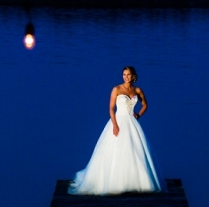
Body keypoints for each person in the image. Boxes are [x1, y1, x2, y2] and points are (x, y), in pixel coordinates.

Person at [68, 66, 162, 195]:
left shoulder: (137, 90)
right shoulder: (116, 89)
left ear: (133, 76)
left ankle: (135, 181)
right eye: (124, 74)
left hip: (132, 122)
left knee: (135, 150)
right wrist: (115, 125)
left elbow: (145, 104)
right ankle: (113, 181)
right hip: (118, 120)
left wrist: (138, 115)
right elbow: (111, 109)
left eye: (128, 74)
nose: (125, 77)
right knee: (115, 150)